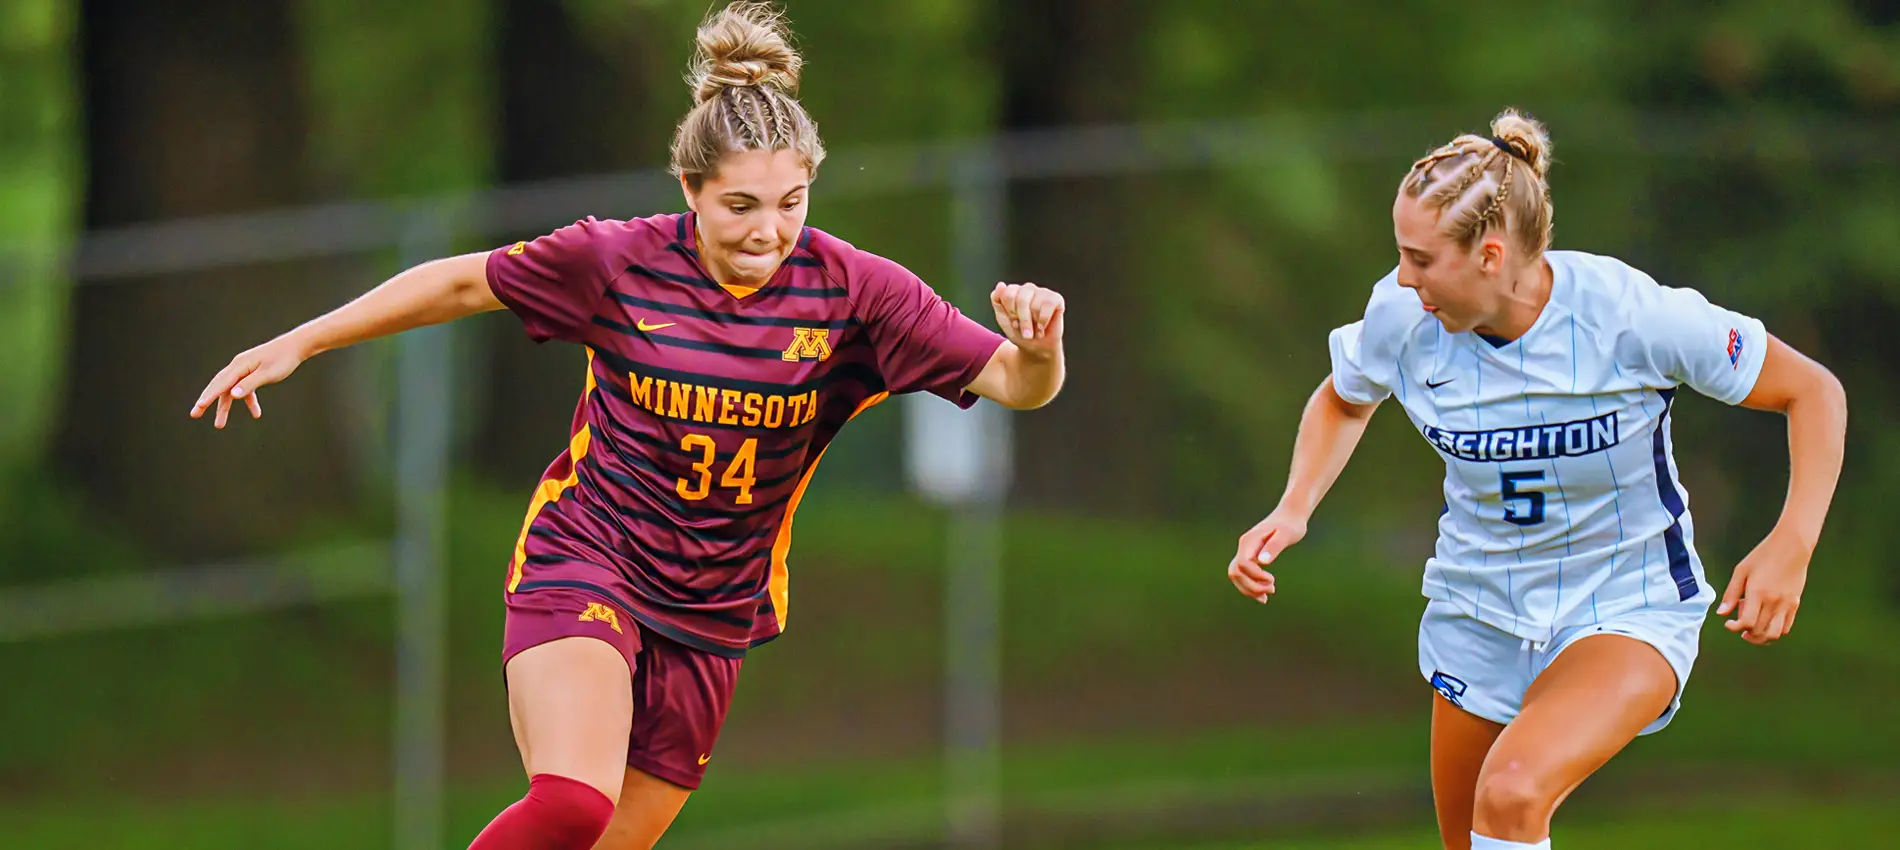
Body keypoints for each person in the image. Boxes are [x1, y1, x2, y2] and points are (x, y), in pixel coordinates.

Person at [189, 4, 1067, 847]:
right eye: (741, 206)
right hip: (587, 557)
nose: (770, 232)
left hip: (715, 611)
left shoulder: (858, 294)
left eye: (791, 202)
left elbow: (1016, 384)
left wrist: (1040, 347)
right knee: (571, 804)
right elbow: (464, 282)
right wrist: (302, 342)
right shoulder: (617, 261)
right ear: (690, 188)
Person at [1225, 108, 1846, 850]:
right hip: (1478, 612)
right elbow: (1343, 397)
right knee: (1477, 837)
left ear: (1490, 256)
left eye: (1421, 259)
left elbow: (1812, 392)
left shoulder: (1627, 317)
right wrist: (1295, 507)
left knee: (1512, 794)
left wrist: (1793, 541)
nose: (1402, 276)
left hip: (1625, 604)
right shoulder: (1402, 317)